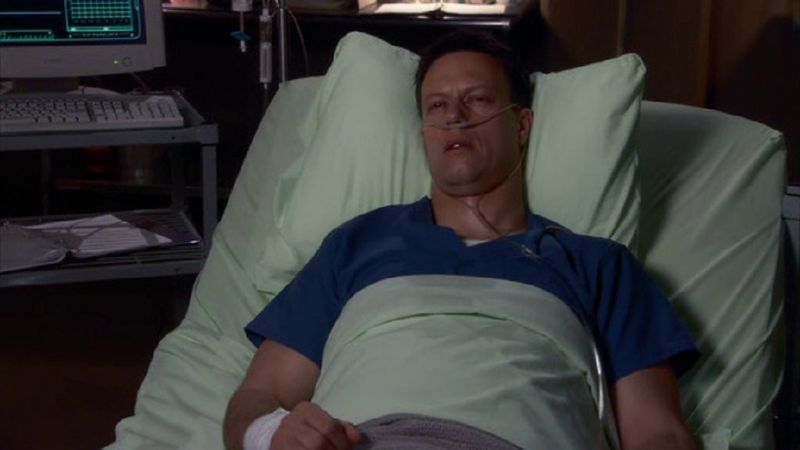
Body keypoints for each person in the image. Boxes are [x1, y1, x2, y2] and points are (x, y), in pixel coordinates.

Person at [223, 30, 699, 450]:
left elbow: (657, 432)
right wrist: (271, 433)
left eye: (478, 99)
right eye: (437, 105)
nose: (454, 115)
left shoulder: (597, 264)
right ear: (424, 134)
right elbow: (259, 394)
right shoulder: (356, 243)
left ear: (521, 125)